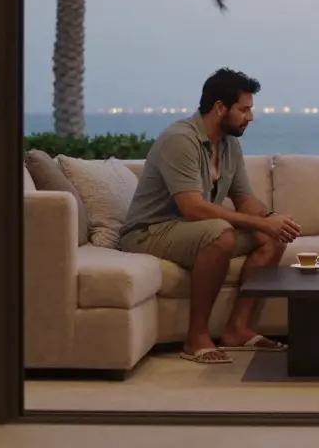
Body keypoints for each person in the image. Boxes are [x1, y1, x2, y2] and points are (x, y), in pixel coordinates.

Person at [120, 68, 303, 365]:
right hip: (149, 232)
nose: (251, 117)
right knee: (219, 234)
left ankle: (237, 330)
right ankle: (196, 338)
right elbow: (193, 208)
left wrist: (273, 220)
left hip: (189, 230)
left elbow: (244, 199)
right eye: (244, 109)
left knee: (270, 236)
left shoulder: (230, 145)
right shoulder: (180, 140)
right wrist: (262, 222)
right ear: (220, 108)